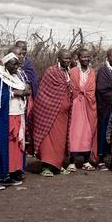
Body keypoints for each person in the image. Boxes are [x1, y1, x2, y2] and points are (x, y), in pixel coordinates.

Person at [0, 53, 30, 191]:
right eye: (13, 64)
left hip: (18, 114)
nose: (16, 67)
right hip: (4, 118)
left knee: (15, 147)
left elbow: (25, 87)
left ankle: (10, 174)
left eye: (17, 64)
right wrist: (14, 93)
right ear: (5, 64)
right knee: (3, 145)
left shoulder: (16, 75)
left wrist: (25, 90)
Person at [32, 49, 72, 177]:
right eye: (65, 58)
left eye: (69, 58)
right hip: (49, 114)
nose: (67, 60)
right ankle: (46, 167)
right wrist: (51, 107)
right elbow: (45, 93)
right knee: (48, 141)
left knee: (60, 142)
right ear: (58, 58)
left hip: (63, 116)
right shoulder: (51, 72)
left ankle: (57, 166)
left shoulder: (67, 72)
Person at [67, 48, 98, 172]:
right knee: (74, 132)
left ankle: (86, 161)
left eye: (87, 56)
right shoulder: (72, 71)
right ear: (78, 58)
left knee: (87, 132)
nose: (86, 59)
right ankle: (71, 161)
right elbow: (69, 88)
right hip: (75, 104)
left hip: (89, 105)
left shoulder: (92, 72)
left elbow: (92, 90)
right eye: (83, 56)